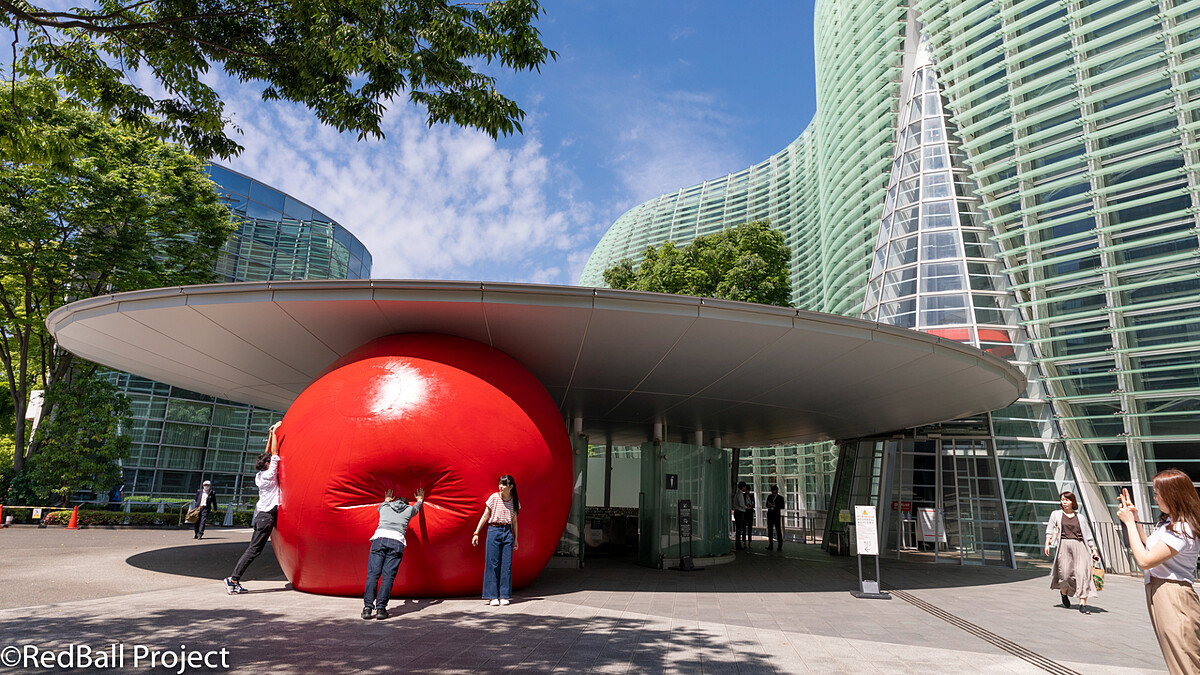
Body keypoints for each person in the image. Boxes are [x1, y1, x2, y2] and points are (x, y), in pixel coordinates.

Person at [1117, 469, 1200, 675]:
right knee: (1176, 658)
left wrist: (1128, 523)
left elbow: (1144, 561)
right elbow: (1149, 547)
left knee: (1184, 660)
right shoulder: (1170, 523)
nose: (1155, 498)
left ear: (1172, 495)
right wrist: (1134, 519)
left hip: (1173, 594)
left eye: (1157, 493)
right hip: (1161, 591)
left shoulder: (1183, 528)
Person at [225, 421, 282, 595]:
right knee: (254, 550)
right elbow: (273, 454)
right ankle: (233, 580)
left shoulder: (259, 475)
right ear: (267, 464)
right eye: (269, 462)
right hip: (266, 518)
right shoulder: (270, 474)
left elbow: (266, 455)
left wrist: (270, 433)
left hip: (261, 516)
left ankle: (234, 580)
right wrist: (275, 434)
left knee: (253, 549)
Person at [362, 488, 425, 620]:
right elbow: (417, 507)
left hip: (379, 539)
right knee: (388, 577)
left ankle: (367, 608)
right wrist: (419, 499)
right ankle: (380, 609)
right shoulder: (409, 510)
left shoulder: (385, 507)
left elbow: (384, 502)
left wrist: (387, 499)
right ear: (406, 504)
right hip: (396, 541)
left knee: (373, 575)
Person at [1044, 490, 1099, 613]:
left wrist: (1093, 550)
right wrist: (1047, 544)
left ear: (1072, 502)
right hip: (1064, 546)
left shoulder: (1080, 517)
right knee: (1065, 574)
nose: (1064, 502)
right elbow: (1050, 529)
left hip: (1080, 546)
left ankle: (1083, 604)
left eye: (1067, 500)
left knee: (1082, 574)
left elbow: (1088, 535)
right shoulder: (1056, 514)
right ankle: (1064, 593)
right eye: (1062, 500)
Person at [471, 475, 519, 606]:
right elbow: (486, 515)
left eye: (504, 484)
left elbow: (514, 521)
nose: (500, 487)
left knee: (506, 565)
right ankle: (492, 596)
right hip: (494, 531)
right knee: (492, 564)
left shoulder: (514, 501)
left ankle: (504, 595)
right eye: (500, 484)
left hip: (507, 532)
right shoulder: (494, 497)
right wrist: (476, 532)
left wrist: (516, 539)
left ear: (511, 487)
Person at [765, 485, 785, 551]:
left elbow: (782, 506)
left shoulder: (780, 498)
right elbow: (766, 505)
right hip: (770, 514)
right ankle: (770, 544)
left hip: (776, 515)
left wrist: (774, 505)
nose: (773, 494)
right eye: (772, 492)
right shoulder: (769, 497)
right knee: (770, 530)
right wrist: (769, 505)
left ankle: (780, 545)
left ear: (777, 492)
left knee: (778, 530)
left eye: (774, 492)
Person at [733, 482, 750, 550]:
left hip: (737, 512)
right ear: (742, 487)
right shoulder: (740, 494)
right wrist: (746, 507)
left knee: (738, 528)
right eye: (745, 487)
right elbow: (741, 504)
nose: (745, 488)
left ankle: (738, 544)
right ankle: (738, 545)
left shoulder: (737, 493)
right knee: (739, 529)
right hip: (740, 512)